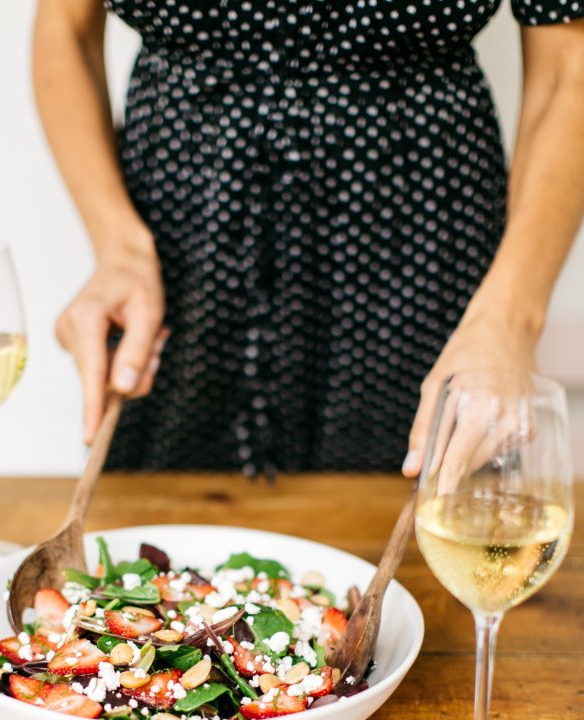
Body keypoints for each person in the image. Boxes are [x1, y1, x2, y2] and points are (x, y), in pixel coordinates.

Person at [32, 0, 584, 477]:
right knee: (153, 560)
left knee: (428, 524)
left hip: (420, 242)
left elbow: (569, 65)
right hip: (179, 241)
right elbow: (65, 24)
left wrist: (510, 317)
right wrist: (117, 243)